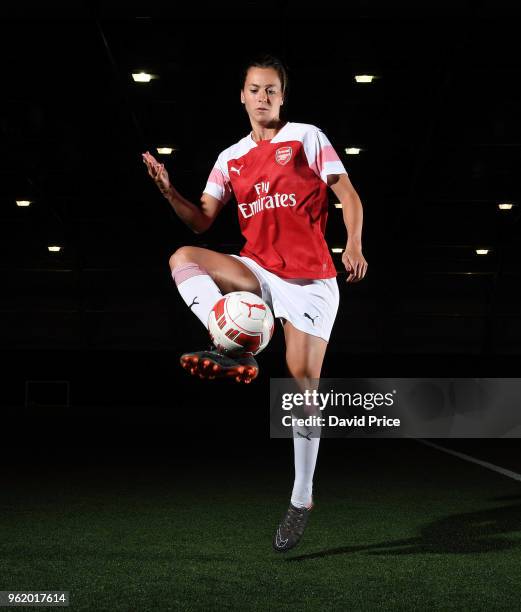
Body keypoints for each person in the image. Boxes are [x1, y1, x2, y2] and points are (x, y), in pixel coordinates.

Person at [142, 53, 368, 551]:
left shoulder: (308, 137)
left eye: (271, 90)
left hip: (310, 279)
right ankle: (229, 340)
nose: (263, 97)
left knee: (302, 383)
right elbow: (201, 220)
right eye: (254, 89)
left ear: (282, 97)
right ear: (241, 96)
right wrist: (168, 191)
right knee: (184, 256)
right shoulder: (231, 158)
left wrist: (352, 244)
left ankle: (301, 499)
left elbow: (348, 196)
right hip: (259, 270)